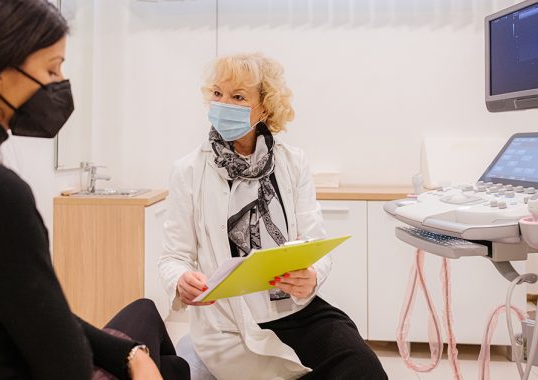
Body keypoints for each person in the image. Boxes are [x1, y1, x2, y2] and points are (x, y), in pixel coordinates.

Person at [0, 1, 188, 379]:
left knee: (158, 346)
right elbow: (66, 364)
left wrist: (130, 353)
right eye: (52, 68)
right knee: (168, 361)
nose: (59, 83)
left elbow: (26, 309)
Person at [159, 53, 388, 379]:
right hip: (229, 323)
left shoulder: (292, 162)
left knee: (363, 368)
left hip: (293, 309)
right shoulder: (188, 171)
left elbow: (315, 242)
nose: (223, 104)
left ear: (264, 108)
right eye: (218, 94)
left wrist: (311, 275)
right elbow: (172, 257)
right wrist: (180, 281)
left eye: (238, 97)